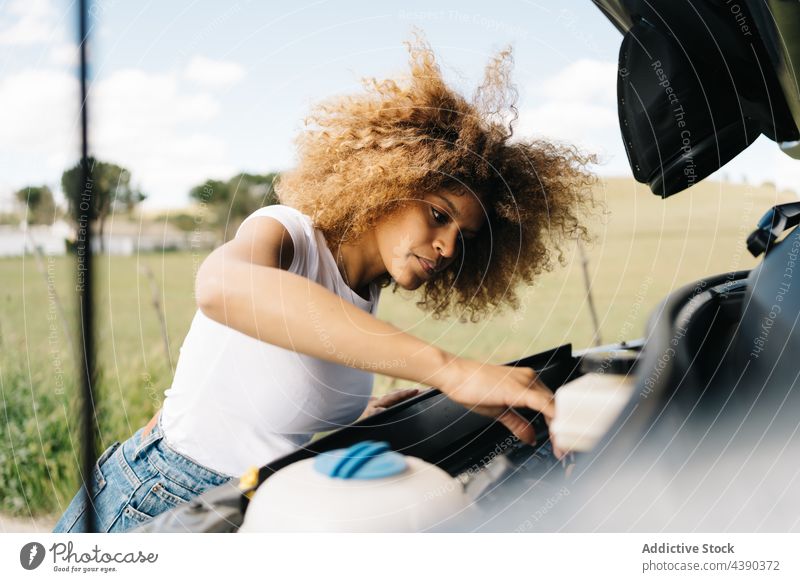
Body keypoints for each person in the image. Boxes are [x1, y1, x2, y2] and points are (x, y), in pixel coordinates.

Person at [54, 34, 594, 533]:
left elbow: (270, 391)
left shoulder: (367, 288)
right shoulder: (285, 232)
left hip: (247, 503)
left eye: (464, 237)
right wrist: (450, 371)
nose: (449, 247)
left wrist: (362, 413)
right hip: (158, 494)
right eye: (436, 214)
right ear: (388, 184)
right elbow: (220, 287)